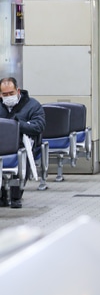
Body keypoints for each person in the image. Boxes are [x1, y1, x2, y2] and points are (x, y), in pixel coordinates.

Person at [0, 77, 46, 208]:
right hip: (2, 143)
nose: (8, 97)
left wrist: (18, 125)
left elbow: (39, 126)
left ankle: (15, 196)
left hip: (22, 144)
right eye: (5, 94)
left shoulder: (32, 105)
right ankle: (2, 195)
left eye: (11, 93)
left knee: (21, 157)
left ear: (18, 91)